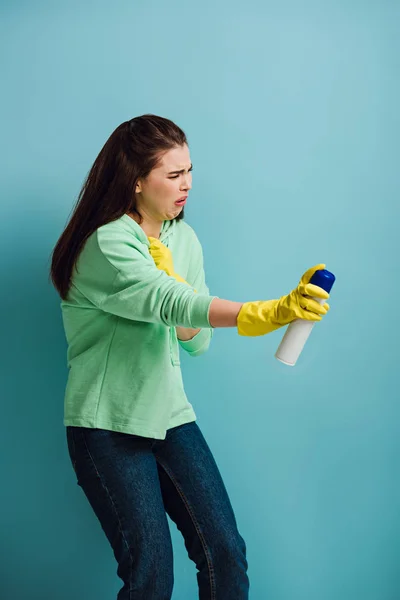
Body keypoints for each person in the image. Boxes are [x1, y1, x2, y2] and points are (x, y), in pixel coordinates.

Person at [49, 114, 330, 600]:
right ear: (137, 180)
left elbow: (193, 339)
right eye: (173, 174)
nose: (187, 185)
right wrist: (269, 312)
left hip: (170, 416)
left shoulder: (183, 239)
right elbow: (168, 303)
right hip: (108, 426)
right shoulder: (108, 242)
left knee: (225, 551)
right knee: (152, 575)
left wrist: (172, 276)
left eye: (190, 171)